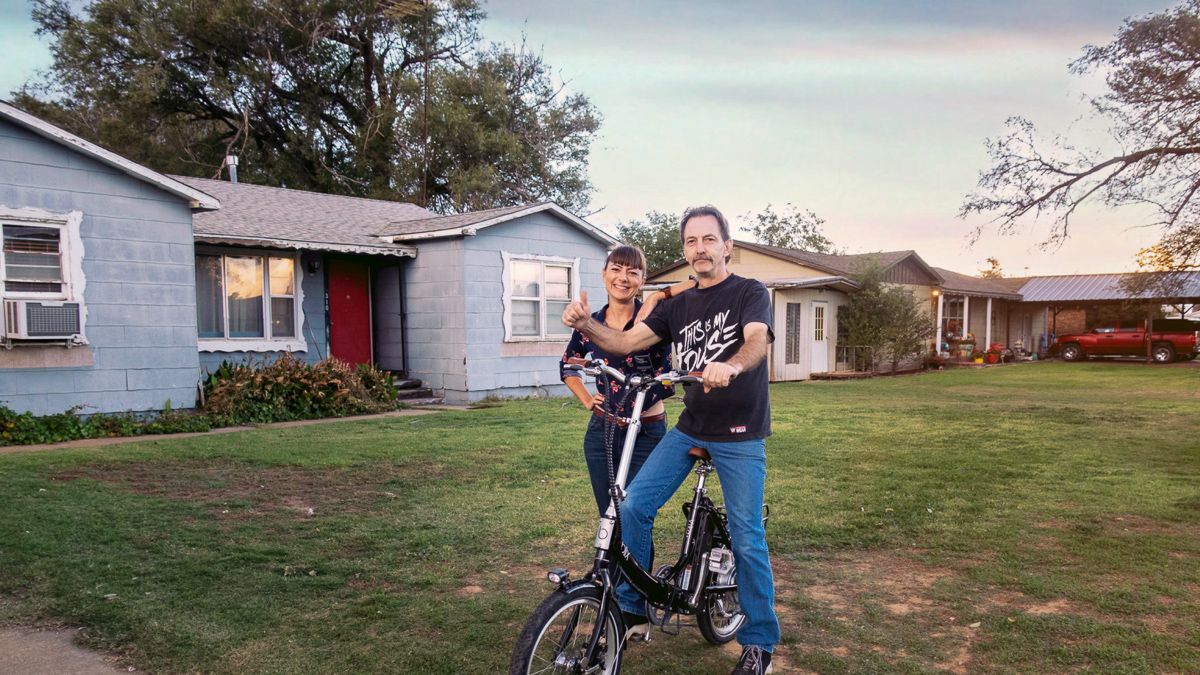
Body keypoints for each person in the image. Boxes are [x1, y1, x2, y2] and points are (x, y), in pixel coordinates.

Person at [562, 206, 780, 675]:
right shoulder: (676, 305)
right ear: (685, 251)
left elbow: (758, 340)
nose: (700, 248)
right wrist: (585, 325)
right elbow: (623, 343)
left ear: (727, 246)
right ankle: (636, 607)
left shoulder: (749, 292)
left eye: (708, 239)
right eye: (691, 242)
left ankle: (759, 642)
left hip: (741, 432)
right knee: (633, 506)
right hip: (691, 426)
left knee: (746, 536)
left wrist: (733, 365)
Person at [560, 246, 676, 515]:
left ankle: (634, 559)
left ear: (642, 281)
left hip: (647, 430)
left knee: (634, 513)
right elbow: (567, 365)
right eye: (616, 269)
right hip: (603, 430)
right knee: (608, 516)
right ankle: (609, 560)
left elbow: (695, 284)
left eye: (632, 272)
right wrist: (588, 400)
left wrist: (659, 294)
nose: (623, 278)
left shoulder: (657, 319)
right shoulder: (593, 322)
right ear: (604, 274)